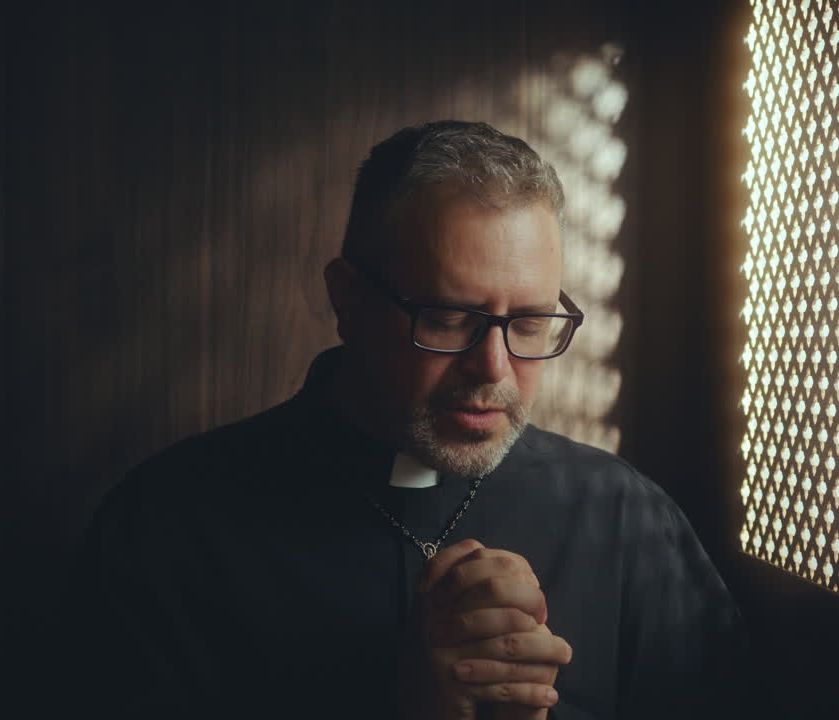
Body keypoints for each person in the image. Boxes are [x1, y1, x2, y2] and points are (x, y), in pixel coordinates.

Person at [55, 121, 748, 719]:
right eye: (448, 318)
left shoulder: (625, 518)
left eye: (530, 323)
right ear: (347, 299)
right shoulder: (164, 528)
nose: (495, 371)